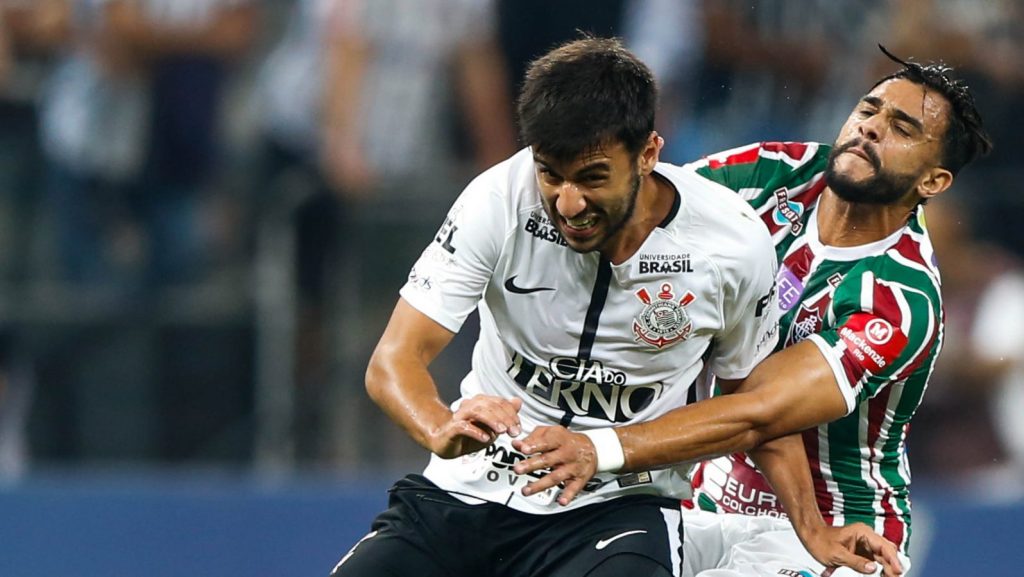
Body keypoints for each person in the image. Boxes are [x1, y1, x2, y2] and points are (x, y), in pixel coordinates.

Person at [330, 37, 898, 577]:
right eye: (550, 174)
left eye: (592, 177)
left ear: (648, 153)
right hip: (471, 487)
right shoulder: (496, 200)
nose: (568, 203)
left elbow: (756, 409)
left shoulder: (730, 244)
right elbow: (394, 361)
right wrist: (438, 427)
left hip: (620, 507)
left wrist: (812, 529)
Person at [511, 47, 992, 576]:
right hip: (701, 505)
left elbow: (756, 410)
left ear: (933, 182)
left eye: (901, 128)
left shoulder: (899, 298)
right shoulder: (772, 171)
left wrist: (597, 448)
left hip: (833, 531)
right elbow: (637, 210)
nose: (871, 128)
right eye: (868, 109)